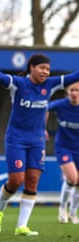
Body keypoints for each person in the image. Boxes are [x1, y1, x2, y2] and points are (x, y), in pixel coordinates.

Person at [0, 54, 79, 236]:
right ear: (31, 67)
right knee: (16, 180)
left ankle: (22, 226)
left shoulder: (50, 84)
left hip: (37, 140)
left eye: (48, 69)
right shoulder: (19, 84)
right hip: (16, 139)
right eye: (42, 68)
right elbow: (1, 78)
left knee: (32, 181)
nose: (45, 72)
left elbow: (74, 77)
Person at [46, 81, 79, 224]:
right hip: (64, 147)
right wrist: (42, 127)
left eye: (77, 90)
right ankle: (62, 208)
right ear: (67, 92)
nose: (74, 93)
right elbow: (44, 108)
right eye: (72, 90)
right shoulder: (61, 105)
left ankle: (73, 213)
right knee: (73, 178)